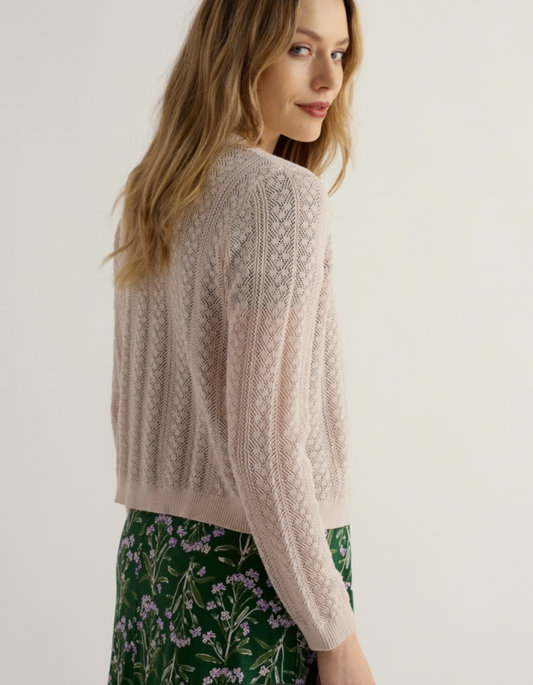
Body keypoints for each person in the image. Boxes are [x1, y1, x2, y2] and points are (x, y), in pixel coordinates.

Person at [101, 0, 376, 683]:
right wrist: (336, 637)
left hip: (154, 565)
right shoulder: (280, 197)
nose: (329, 79)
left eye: (339, 53)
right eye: (300, 49)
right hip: (254, 584)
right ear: (236, 50)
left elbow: (129, 407)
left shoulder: (153, 191)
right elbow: (266, 446)